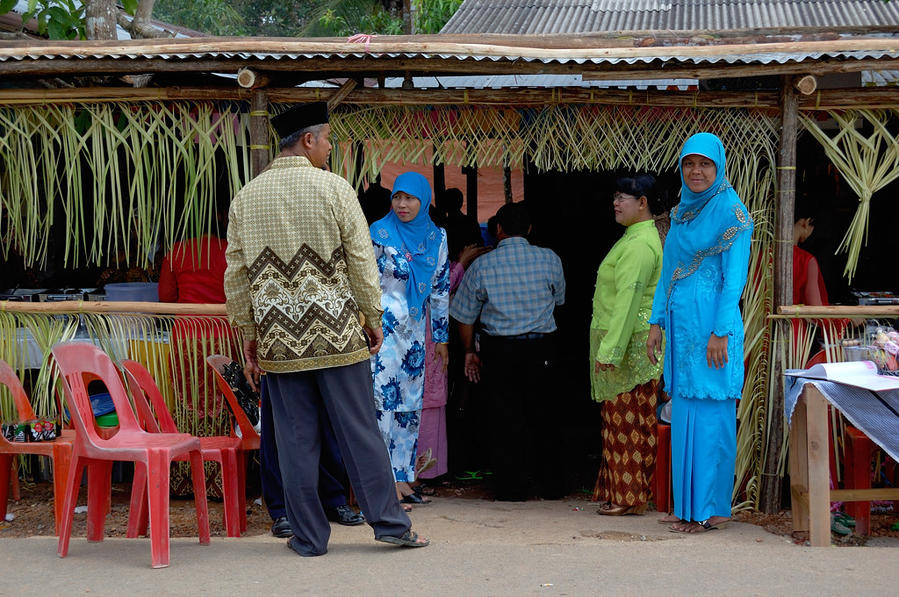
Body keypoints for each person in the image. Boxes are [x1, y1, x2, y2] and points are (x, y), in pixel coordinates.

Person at [224, 101, 428, 556]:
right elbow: (360, 261)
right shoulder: (335, 189)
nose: (330, 148)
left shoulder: (246, 197)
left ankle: (309, 538)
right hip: (337, 334)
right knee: (359, 431)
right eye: (329, 139)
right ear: (309, 139)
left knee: (296, 441)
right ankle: (391, 525)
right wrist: (371, 318)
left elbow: (236, 276)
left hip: (279, 341)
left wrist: (249, 334)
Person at [647, 132, 753, 533]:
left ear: (718, 166)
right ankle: (688, 507)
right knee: (687, 413)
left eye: (705, 164)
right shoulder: (682, 214)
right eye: (689, 163)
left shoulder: (732, 213)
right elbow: (667, 274)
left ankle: (711, 510)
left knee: (711, 418)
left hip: (713, 329)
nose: (696, 171)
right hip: (681, 330)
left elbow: (734, 279)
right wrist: (656, 322)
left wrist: (721, 331)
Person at [451, 202, 567, 501]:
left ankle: (511, 489)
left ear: (498, 230)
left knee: (504, 418)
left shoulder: (482, 265)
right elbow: (560, 299)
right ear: (529, 229)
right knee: (545, 414)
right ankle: (551, 485)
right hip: (542, 347)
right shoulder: (549, 259)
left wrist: (468, 351)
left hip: (499, 350)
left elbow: (463, 315)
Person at [369, 172, 450, 506]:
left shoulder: (436, 236)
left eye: (410, 198)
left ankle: (403, 479)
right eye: (397, 197)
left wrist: (441, 338)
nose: (402, 205)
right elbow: (364, 280)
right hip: (382, 333)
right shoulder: (379, 232)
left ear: (424, 200)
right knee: (383, 405)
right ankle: (383, 482)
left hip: (415, 336)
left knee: (409, 407)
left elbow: (440, 289)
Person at [591, 174, 664, 516]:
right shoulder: (634, 238)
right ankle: (624, 494)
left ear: (643, 203)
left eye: (624, 197)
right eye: (615, 197)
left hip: (631, 344)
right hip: (628, 340)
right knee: (621, 420)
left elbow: (628, 301)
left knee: (628, 423)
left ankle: (628, 496)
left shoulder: (638, 244)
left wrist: (610, 351)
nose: (616, 203)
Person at [158, 220, 238, 498]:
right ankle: (219, 483)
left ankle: (184, 480)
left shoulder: (177, 251)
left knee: (187, 403)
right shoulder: (229, 249)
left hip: (186, 337)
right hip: (222, 334)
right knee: (224, 402)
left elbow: (166, 298)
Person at [259, 376, 364, 539]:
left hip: (321, 356)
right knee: (278, 428)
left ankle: (333, 500)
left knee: (326, 424)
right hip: (278, 357)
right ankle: (282, 510)